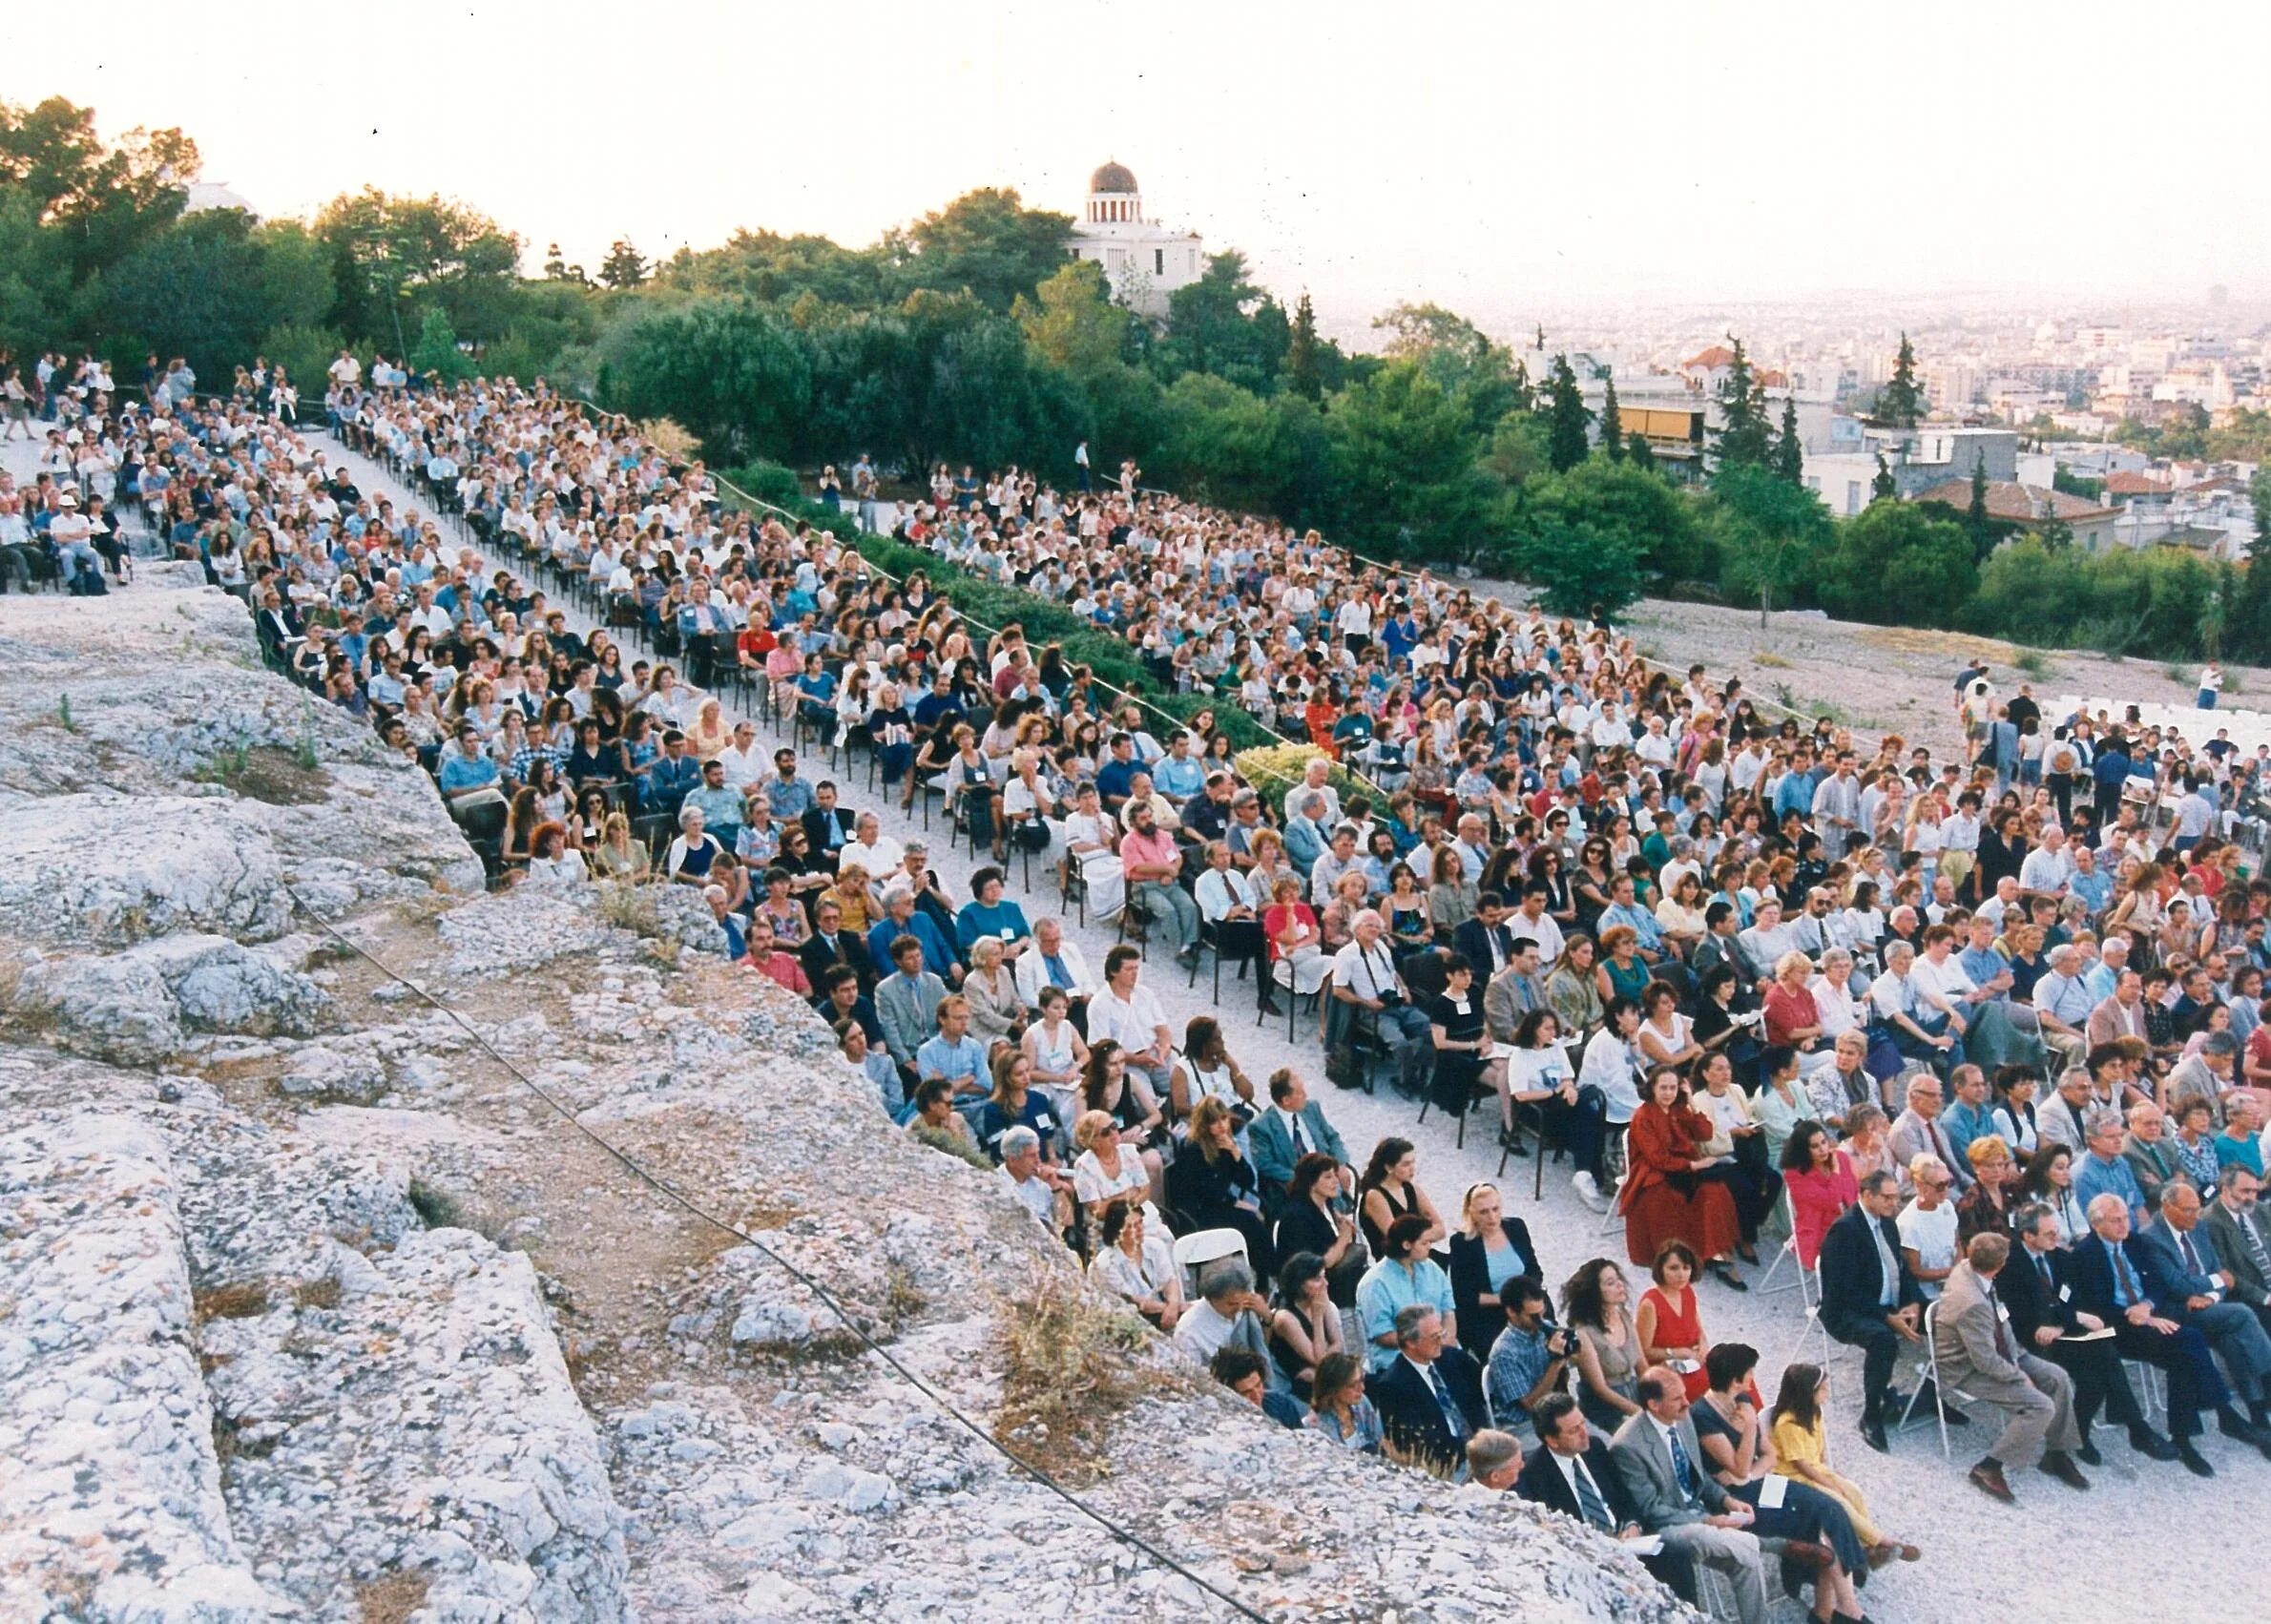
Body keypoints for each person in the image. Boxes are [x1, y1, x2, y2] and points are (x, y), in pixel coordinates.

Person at [1684, 1343, 1869, 1624]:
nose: (1752, 1377)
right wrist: (1747, 1430)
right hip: (1732, 1499)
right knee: (1814, 1518)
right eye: (1749, 1372)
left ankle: (1835, 1609)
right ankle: (1839, 1610)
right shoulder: (1703, 1415)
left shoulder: (1744, 1400)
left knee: (1827, 1507)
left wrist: (1751, 1474)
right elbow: (1738, 1465)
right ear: (1736, 1379)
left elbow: (1767, 1457)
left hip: (1756, 1483)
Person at [2063, 1191, 2235, 1477]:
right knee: (2186, 1346)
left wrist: (2147, 1306)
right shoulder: (2085, 1255)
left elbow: (2156, 1284)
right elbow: (2093, 1305)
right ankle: (2221, 1410)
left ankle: (2183, 1437)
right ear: (2096, 1224)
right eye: (2115, 1221)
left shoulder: (2135, 1243)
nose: (2123, 1225)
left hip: (2146, 1317)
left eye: (2125, 1219)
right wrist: (2138, 1316)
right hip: (2115, 1327)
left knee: (2186, 1346)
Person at [1928, 1231, 2091, 1502]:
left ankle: (2056, 1454)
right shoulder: (1971, 1302)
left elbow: (2002, 1322)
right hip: (1968, 1368)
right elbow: (1985, 1361)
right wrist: (2019, 1376)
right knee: (2040, 1405)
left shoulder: (1972, 1270)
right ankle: (1989, 1467)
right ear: (2000, 1266)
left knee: (2058, 1377)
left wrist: (2018, 1359)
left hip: (2003, 1351)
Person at [1607, 1368, 1772, 1624]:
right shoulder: (1627, 1446)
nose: (1687, 1403)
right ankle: (1763, 1544)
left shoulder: (1682, 1418)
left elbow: (1699, 1475)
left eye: (1684, 1395)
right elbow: (1651, 1508)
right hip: (1666, 1527)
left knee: (1745, 1562)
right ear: (1654, 1405)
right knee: (1740, 1544)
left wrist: (1726, 1500)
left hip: (1698, 1511)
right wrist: (1709, 1521)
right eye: (1677, 1399)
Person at [1512, 1393, 1699, 1605]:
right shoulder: (1534, 1476)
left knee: (1676, 1555)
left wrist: (1632, 1523)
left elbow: (1626, 1497)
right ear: (1552, 1440)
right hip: (1589, 1559)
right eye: (1574, 1430)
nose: (1584, 1433)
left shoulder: (1595, 1449)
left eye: (1582, 1423)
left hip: (1628, 1541)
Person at [2131, 1178, 2271, 1445]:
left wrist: (2209, 1294)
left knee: (2231, 1337)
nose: (2195, 1215)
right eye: (2188, 1210)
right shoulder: (2151, 1237)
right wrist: (2215, 1284)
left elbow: (2219, 1271)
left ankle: (2257, 1412)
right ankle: (2268, 1376)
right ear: (2167, 1207)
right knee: (2241, 1314)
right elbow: (2179, 1284)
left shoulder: (2198, 1227)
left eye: (2197, 1208)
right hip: (2177, 1310)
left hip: (2206, 1305)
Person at [1818, 1171, 1930, 1451]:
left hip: (1886, 1303)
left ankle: (1933, 1392)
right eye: (1887, 1197)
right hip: (1847, 1310)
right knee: (1882, 1340)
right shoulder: (1845, 1230)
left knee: (1942, 1318)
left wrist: (1913, 1302)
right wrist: (1888, 1318)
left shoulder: (1888, 1225)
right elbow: (1844, 1289)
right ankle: (1871, 1414)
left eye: (1896, 1197)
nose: (1894, 1203)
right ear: (1867, 1195)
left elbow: (1903, 1272)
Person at [1769, 1364, 1921, 1567]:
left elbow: (1819, 1451)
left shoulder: (1815, 1413)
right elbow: (1801, 1466)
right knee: (1839, 1501)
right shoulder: (1787, 1424)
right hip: (1792, 1478)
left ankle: (1867, 1547)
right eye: (1823, 1389)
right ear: (1807, 1393)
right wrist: (1830, 1484)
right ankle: (1884, 1541)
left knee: (1853, 1491)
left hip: (1814, 1470)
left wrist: (1833, 1476)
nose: (1827, 1392)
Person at [1620, 1069, 1746, 1289]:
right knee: (1667, 1198)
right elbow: (1657, 1158)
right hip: (1652, 1172)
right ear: (1652, 1088)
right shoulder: (1642, 1116)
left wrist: (1690, 1102)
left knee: (1714, 1192)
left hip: (1685, 1166)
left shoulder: (1678, 1109)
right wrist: (1694, 1165)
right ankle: (1686, 1254)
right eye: (1663, 1088)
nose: (1669, 1093)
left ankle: (1713, 1251)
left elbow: (1705, 1133)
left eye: (1673, 1087)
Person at [1368, 1304, 1490, 1475]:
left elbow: (1483, 1394)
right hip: (1446, 1466)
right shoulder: (1393, 1386)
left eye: (1441, 1334)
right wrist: (1471, 1449)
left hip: (1481, 1448)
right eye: (1434, 1337)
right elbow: (1418, 1443)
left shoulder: (1451, 1358)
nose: (1441, 1341)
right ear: (1410, 1342)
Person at [1166, 1096, 1273, 1276]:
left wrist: (1235, 1152)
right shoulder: (1193, 1148)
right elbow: (1207, 1191)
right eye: (1214, 1122)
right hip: (1199, 1212)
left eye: (1223, 1118)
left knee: (1259, 1218)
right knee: (1251, 1222)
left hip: (1220, 1205)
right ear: (1204, 1125)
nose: (1222, 1125)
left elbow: (1246, 1182)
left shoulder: (1225, 1143)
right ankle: (1268, 1275)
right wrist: (1240, 1204)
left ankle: (1266, 1277)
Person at [1447, 1183, 1542, 1358]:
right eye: (1484, 1212)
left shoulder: (1516, 1227)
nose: (1492, 1217)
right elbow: (1464, 1296)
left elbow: (1534, 1270)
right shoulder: (1462, 1243)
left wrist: (1528, 1297)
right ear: (1471, 1213)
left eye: (1495, 1209)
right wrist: (1506, 1300)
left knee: (1552, 1345)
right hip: (1489, 1315)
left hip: (1525, 1303)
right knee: (1507, 1355)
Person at [1355, 1214, 1456, 1374]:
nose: (1430, 1246)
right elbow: (1383, 1335)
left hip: (1440, 1352)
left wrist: (1446, 1341)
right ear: (1407, 1245)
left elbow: (1448, 1311)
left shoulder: (1432, 1269)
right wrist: (1425, 1344)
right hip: (1398, 1363)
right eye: (1425, 1242)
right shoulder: (1375, 1283)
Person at [1635, 1241, 1727, 1404]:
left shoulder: (1687, 1291)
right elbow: (1643, 1352)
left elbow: (1698, 1328)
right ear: (1661, 1269)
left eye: (1686, 1268)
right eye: (1674, 1268)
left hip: (1693, 1360)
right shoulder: (1651, 1303)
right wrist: (1677, 1352)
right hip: (1668, 1368)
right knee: (1718, 1390)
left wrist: (1704, 1345)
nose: (1681, 1274)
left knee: (1737, 1373)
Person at [1563, 1257, 1645, 1431]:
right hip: (1606, 1408)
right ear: (1594, 1291)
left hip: (1635, 1392)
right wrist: (1640, 1413)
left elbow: (1642, 1365)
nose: (1620, 1285)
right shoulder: (1583, 1333)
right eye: (1610, 1283)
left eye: (1619, 1279)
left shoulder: (1623, 1315)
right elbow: (1600, 1389)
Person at [1248, 1069, 1351, 1207]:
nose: (1306, 1095)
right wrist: (1305, 1180)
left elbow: (1332, 1137)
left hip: (1328, 1181)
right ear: (1286, 1100)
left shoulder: (1312, 1108)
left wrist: (1341, 1164)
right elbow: (1265, 1164)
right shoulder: (1261, 1127)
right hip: (1295, 1190)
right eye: (1300, 1093)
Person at [1268, 1251, 1347, 1398]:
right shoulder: (1285, 1317)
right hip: (1300, 1387)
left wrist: (1322, 1366)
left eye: (1324, 1277)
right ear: (1300, 1284)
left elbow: (1338, 1343)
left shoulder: (1321, 1299)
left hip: (1324, 1375)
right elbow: (1318, 1359)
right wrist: (1317, 1318)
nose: (1325, 1284)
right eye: (1318, 1279)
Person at [1780, 1120, 1857, 1271]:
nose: (1823, 1149)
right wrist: (1835, 1170)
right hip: (1819, 1230)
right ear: (1803, 1150)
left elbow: (1853, 1191)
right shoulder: (1795, 1174)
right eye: (1815, 1146)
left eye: (1824, 1142)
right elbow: (1830, 1200)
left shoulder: (1840, 1157)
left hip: (1848, 1220)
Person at [1173, 1260, 1275, 1367]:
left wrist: (1267, 1317)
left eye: (1242, 1303)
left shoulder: (1246, 1308)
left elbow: (1262, 1348)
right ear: (1212, 1298)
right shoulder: (1189, 1331)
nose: (1240, 1309)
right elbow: (1192, 1375)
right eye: (1232, 1304)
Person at [1355, 1137, 1446, 1258]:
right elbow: (1397, 1238)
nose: (1412, 1168)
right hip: (1396, 1261)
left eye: (1413, 1162)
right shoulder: (1375, 1196)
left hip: (1420, 1255)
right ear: (1389, 1167)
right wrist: (1426, 1236)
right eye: (1405, 1164)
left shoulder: (1412, 1189)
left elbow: (1440, 1229)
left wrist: (1418, 1238)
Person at [1305, 1352, 1385, 1453]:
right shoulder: (1318, 1426)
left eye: (1361, 1380)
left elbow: (1378, 1439)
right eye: (1352, 1385)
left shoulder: (1362, 1403)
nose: (1362, 1388)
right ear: (1333, 1389)